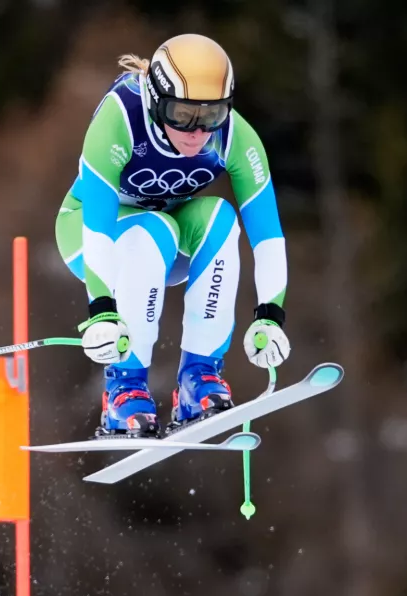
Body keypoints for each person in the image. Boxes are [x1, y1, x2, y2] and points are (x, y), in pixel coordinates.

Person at [54, 33, 291, 438]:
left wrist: (271, 315)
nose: (197, 132)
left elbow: (268, 235)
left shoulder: (235, 136)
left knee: (220, 216)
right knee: (152, 230)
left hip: (167, 239)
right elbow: (96, 222)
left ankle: (198, 380)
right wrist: (102, 309)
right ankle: (123, 389)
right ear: (154, 100)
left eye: (212, 115)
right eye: (182, 114)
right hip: (93, 235)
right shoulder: (120, 117)